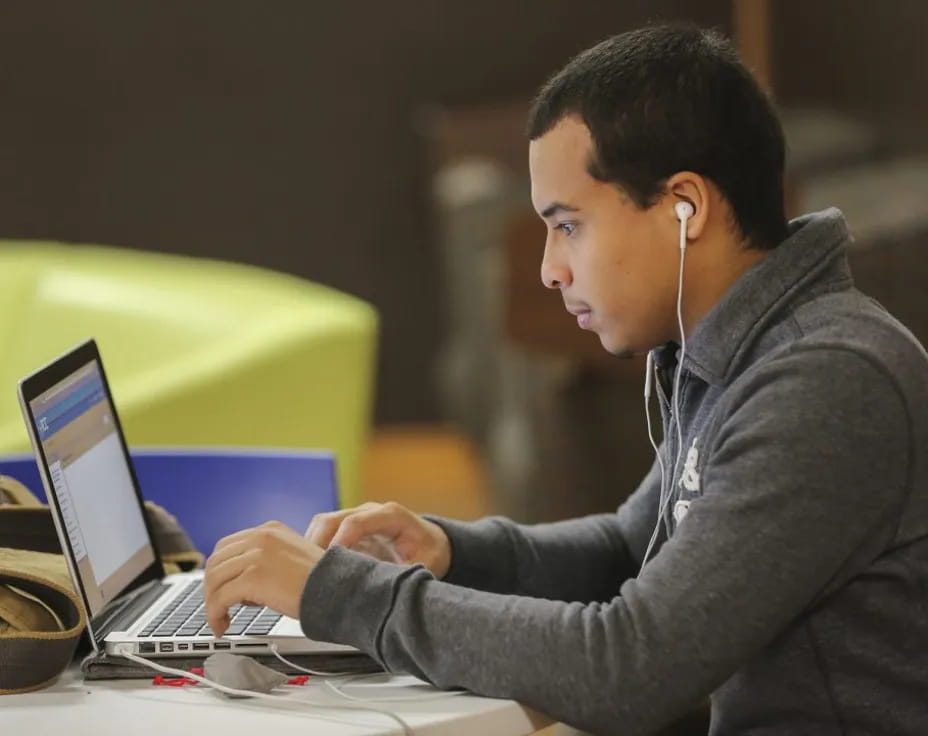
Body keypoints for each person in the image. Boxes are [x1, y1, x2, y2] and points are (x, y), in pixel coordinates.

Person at [202, 25, 928, 735]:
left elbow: (631, 669)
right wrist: (453, 553)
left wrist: (341, 595)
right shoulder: (737, 349)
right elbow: (629, 550)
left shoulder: (826, 380)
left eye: (568, 224)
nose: (551, 268)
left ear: (686, 208)